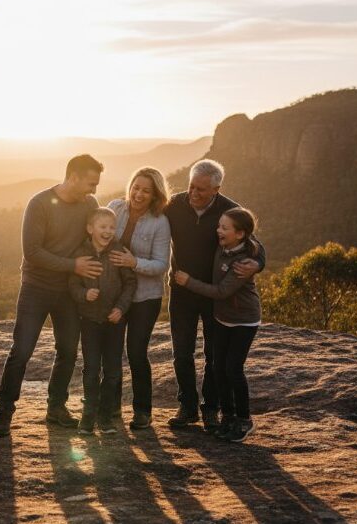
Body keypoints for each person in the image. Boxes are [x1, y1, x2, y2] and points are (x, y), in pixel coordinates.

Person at [0, 154, 104, 437]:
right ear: (74, 176)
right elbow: (33, 252)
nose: (94, 191)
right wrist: (73, 264)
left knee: (67, 350)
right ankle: (4, 412)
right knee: (22, 350)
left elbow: (95, 237)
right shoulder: (40, 203)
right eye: (90, 183)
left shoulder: (89, 204)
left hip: (68, 290)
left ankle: (56, 408)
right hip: (37, 288)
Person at [164, 160, 264, 431]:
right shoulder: (174, 204)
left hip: (214, 296)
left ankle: (211, 409)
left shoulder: (229, 209)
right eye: (191, 186)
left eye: (201, 189)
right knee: (181, 352)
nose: (193, 194)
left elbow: (253, 242)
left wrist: (259, 263)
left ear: (217, 189)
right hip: (181, 292)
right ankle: (187, 406)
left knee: (213, 356)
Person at [106, 167, 171, 430]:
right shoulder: (115, 207)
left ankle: (142, 411)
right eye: (136, 187)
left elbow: (161, 265)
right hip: (116, 294)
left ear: (155, 194)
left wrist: (134, 263)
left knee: (135, 352)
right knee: (111, 353)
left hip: (145, 297)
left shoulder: (159, 222)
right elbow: (96, 233)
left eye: (146, 190)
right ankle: (110, 409)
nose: (138, 194)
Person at [69, 207, 137, 435]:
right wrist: (83, 295)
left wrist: (120, 308)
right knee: (90, 370)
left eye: (111, 227)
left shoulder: (119, 252)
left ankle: (105, 418)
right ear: (90, 228)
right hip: (89, 320)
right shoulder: (80, 253)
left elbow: (130, 284)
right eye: (102, 227)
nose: (108, 231)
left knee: (113, 371)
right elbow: (72, 285)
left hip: (114, 321)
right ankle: (88, 417)